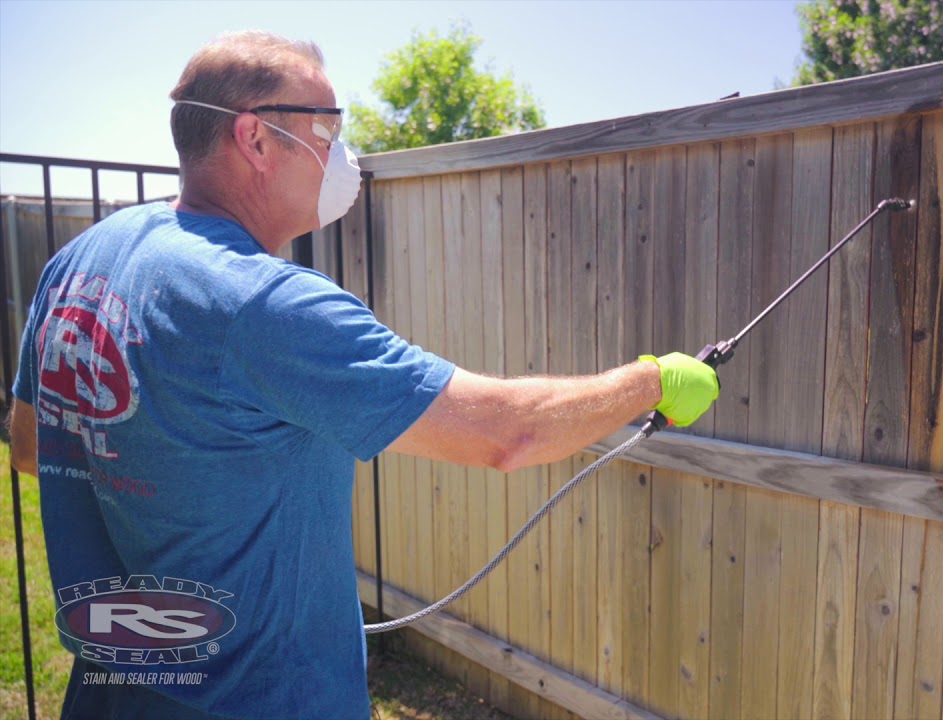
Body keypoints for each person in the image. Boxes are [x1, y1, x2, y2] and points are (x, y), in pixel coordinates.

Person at [5, 31, 719, 720]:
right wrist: (653, 380)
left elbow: (33, 449)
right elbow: (509, 433)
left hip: (108, 694)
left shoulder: (82, 260)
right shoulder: (263, 304)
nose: (339, 152)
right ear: (254, 138)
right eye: (327, 128)